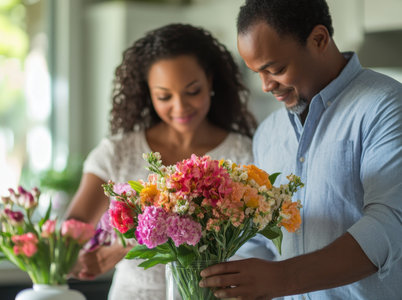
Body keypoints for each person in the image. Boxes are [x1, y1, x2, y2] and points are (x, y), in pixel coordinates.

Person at [199, 0, 402, 299]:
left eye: (276, 68)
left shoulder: (385, 106)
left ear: (319, 39)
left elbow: (390, 224)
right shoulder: (268, 133)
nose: (266, 85)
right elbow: (263, 236)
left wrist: (283, 278)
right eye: (257, 72)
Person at [65, 23, 272, 299]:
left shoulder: (245, 155)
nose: (180, 106)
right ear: (148, 93)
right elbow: (71, 232)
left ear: (210, 81)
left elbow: (259, 248)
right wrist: (83, 255)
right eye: (164, 96)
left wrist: (128, 244)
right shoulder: (117, 153)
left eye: (192, 91)